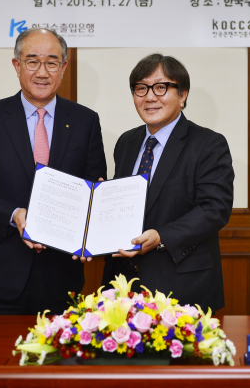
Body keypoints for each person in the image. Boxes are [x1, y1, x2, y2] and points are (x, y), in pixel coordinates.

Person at [0, 27, 107, 315]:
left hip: (63, 274)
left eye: (51, 62)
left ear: (63, 68)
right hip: (1, 273)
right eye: (32, 61)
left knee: (59, 360)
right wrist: (15, 214)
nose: (42, 72)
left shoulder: (85, 121)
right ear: (17, 65)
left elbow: (93, 184)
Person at [100, 53, 234, 311]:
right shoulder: (126, 143)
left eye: (161, 87)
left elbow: (214, 209)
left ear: (183, 95)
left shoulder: (208, 144)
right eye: (141, 88)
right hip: (124, 287)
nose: (150, 97)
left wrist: (161, 236)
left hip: (182, 287)